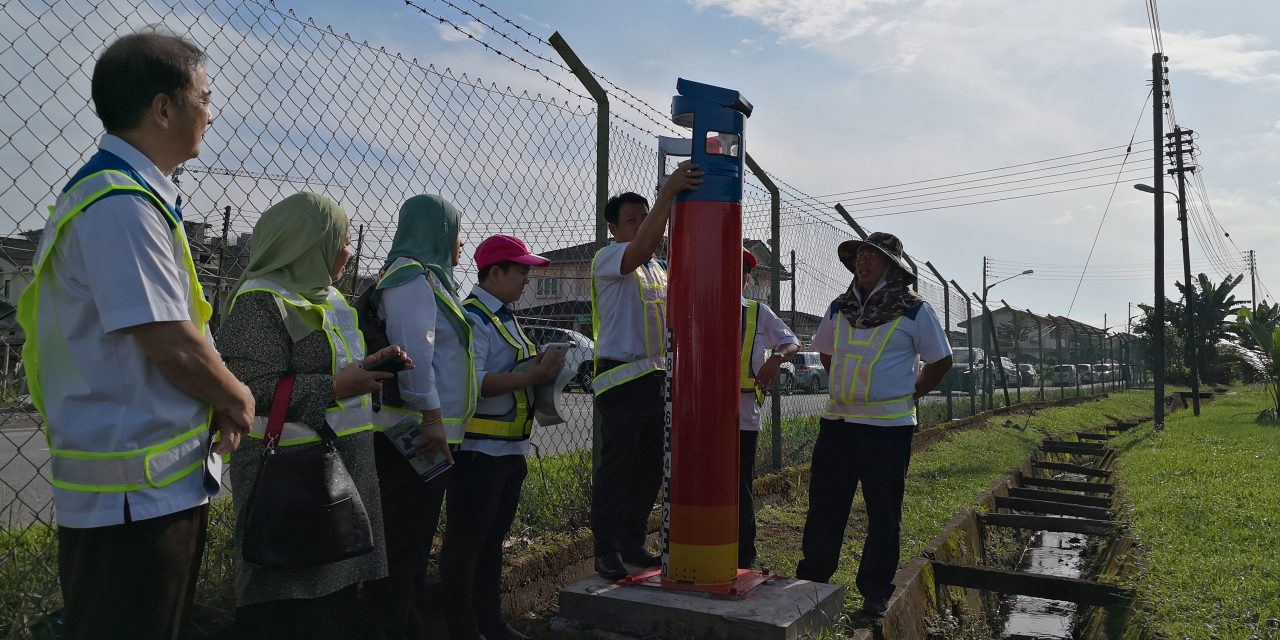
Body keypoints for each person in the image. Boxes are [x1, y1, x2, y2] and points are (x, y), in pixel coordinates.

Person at [16, 31, 254, 640]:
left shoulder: (132, 197)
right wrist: (237, 396)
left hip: (146, 491)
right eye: (205, 95)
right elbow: (171, 341)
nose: (211, 110)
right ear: (163, 108)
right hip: (132, 504)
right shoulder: (120, 203)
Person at [219, 192, 406, 639]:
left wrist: (369, 364)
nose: (348, 250)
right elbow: (246, 391)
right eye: (340, 239)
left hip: (341, 475)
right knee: (290, 606)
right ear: (308, 243)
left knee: (334, 606)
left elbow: (332, 365)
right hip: (289, 482)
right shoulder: (259, 301)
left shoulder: (332, 298)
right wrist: (337, 387)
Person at [794, 232, 953, 619]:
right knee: (825, 508)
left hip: (887, 428)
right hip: (838, 423)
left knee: (883, 513)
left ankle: (874, 594)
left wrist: (907, 394)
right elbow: (826, 352)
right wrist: (846, 391)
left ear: (892, 266)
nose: (862, 262)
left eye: (872, 256)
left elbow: (940, 360)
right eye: (859, 256)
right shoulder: (839, 306)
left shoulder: (915, 310)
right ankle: (812, 585)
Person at [356, 194, 473, 639]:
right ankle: (387, 626)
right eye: (456, 231)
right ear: (436, 231)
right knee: (403, 542)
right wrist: (431, 419)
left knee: (413, 540)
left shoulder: (432, 281)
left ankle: (402, 623)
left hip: (426, 431)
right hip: (411, 434)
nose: (460, 242)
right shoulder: (410, 278)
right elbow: (415, 357)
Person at [440, 234, 565, 640]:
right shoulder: (474, 317)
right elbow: (471, 384)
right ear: (495, 273)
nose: (527, 279)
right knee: (466, 545)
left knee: (491, 543)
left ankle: (490, 624)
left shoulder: (503, 316)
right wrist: (531, 375)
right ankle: (463, 627)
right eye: (521, 271)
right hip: (479, 453)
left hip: (507, 451)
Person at [589, 162, 702, 580]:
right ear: (614, 228)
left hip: (656, 380)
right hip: (621, 381)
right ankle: (605, 549)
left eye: (645, 218)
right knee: (617, 469)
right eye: (631, 220)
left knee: (649, 469)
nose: (640, 225)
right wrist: (667, 194)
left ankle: (631, 541)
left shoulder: (657, 269)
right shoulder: (611, 257)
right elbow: (640, 248)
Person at [736, 249, 800, 570]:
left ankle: (744, 556)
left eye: (742, 272)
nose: (737, 276)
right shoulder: (699, 305)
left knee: (740, 485)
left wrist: (776, 358)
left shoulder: (758, 313)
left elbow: (792, 342)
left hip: (743, 416)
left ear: (748, 279)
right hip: (703, 416)